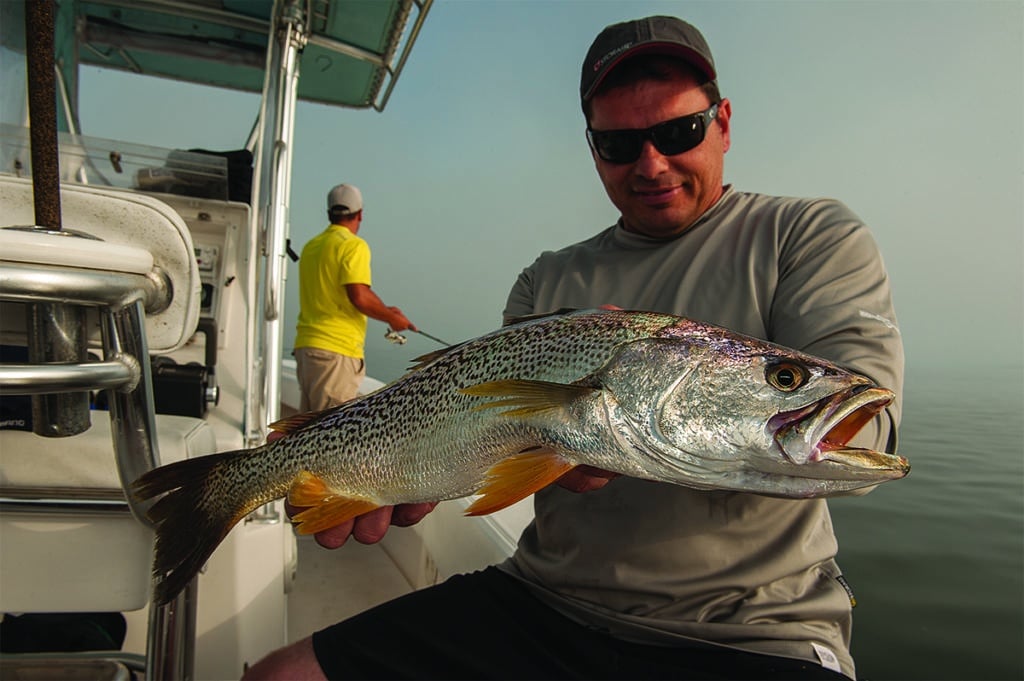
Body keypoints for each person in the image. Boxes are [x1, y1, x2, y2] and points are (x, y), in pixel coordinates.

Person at [246, 15, 903, 681]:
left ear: (723, 122)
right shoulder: (547, 279)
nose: (651, 164)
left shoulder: (806, 235)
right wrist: (548, 452)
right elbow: (494, 431)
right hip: (543, 601)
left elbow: (870, 419)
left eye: (679, 132)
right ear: (592, 148)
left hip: (750, 631)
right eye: (618, 144)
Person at [293, 183, 416, 412]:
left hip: (307, 350)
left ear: (330, 213)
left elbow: (343, 292)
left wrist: (387, 309)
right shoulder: (353, 246)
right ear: (360, 214)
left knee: (307, 430)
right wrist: (392, 318)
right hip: (335, 353)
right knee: (329, 436)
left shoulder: (312, 247)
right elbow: (358, 296)